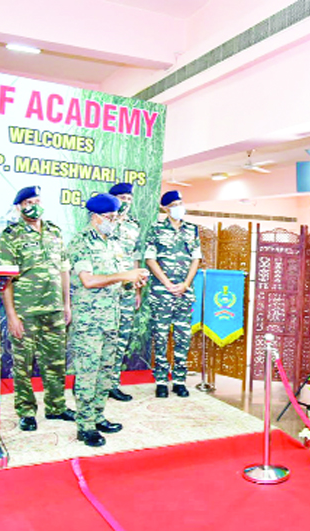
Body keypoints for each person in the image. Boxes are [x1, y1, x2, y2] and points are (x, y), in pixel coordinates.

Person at [67, 194, 149, 447]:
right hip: (89, 321)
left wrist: (132, 280)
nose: (113, 222)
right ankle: (85, 426)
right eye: (110, 218)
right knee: (88, 373)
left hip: (112, 318)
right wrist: (124, 274)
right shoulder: (81, 242)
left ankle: (98, 415)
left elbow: (117, 277)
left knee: (105, 372)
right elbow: (89, 281)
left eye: (115, 218)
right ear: (95, 216)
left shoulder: (113, 242)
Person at [0, 186, 75, 432]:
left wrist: (66, 304)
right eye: (28, 202)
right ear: (19, 207)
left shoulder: (55, 231)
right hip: (25, 311)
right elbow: (5, 279)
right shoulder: (10, 235)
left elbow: (64, 269)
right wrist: (11, 316)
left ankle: (56, 406)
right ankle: (26, 411)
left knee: (55, 362)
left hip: (54, 308)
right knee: (23, 364)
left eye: (37, 200)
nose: (34, 205)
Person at [145, 190, 201, 398]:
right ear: (165, 208)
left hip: (185, 292)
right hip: (162, 292)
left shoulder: (191, 230)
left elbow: (196, 258)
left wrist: (185, 284)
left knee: (183, 337)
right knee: (160, 336)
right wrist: (167, 284)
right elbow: (150, 259)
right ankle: (161, 380)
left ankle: (179, 380)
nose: (179, 207)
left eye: (181, 203)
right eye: (175, 204)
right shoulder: (156, 229)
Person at [106, 183, 142, 402]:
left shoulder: (134, 225)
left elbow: (136, 255)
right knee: (105, 336)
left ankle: (113, 383)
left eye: (129, 198)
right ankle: (99, 382)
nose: (126, 201)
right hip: (106, 288)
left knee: (121, 338)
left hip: (127, 289)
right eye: (121, 197)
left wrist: (137, 288)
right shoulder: (103, 223)